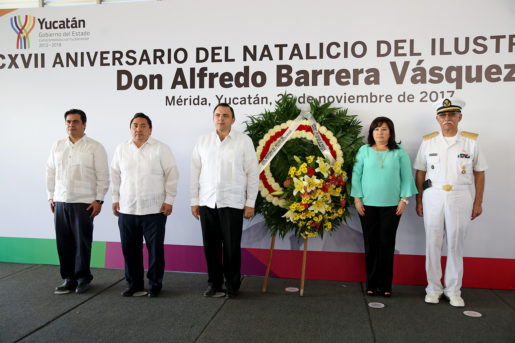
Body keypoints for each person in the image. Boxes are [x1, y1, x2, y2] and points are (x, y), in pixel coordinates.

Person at [414, 98, 487, 307]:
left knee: (456, 242)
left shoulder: (470, 142)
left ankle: (454, 290)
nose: (447, 119)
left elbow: (479, 173)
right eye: (443, 115)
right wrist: (419, 200)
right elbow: (420, 172)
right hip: (433, 194)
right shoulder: (428, 141)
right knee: (433, 242)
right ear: (437, 119)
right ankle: (433, 289)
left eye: (452, 115)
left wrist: (478, 202)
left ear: (459, 117)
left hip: (460, 195)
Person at [190, 103, 259, 299]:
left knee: (231, 248)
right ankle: (214, 284)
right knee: (210, 248)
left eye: (226, 115)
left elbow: (252, 173)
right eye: (218, 115)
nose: (221, 119)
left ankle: (232, 286)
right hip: (207, 202)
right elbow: (195, 173)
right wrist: (194, 200)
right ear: (213, 119)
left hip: (233, 203)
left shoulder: (244, 141)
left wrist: (250, 202)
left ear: (233, 119)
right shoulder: (203, 141)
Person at [111, 113, 179, 298]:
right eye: (135, 125)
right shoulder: (121, 149)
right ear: (130, 128)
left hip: (155, 209)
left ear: (150, 129)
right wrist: (114, 199)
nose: (138, 129)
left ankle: (155, 285)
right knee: (129, 249)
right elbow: (115, 176)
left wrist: (169, 200)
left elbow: (172, 175)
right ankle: (134, 285)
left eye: (143, 126)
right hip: (127, 209)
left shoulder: (161, 149)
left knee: (155, 251)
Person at [351, 116, 417, 297]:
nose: (380, 132)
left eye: (384, 129)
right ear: (372, 132)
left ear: (391, 132)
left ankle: (386, 285)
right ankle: (371, 284)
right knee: (370, 244)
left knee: (387, 244)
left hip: (392, 206)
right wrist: (357, 199)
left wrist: (404, 200)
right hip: (366, 206)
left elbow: (406, 177)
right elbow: (356, 176)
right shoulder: (364, 150)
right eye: (376, 129)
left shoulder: (399, 151)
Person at [46, 109, 109, 294]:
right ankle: (68, 278)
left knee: (82, 243)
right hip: (60, 201)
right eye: (68, 122)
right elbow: (50, 172)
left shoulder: (95, 147)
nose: (71, 125)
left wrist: (99, 200)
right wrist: (51, 196)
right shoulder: (57, 145)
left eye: (75, 121)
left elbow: (103, 175)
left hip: (84, 202)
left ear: (84, 124)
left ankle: (83, 278)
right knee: (63, 243)